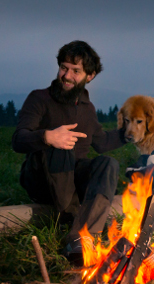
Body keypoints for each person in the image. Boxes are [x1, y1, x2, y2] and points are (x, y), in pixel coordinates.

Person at [12, 40, 126, 265]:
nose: (67, 75)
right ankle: (73, 220)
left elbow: (101, 143)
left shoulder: (86, 107)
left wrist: (130, 134)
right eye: (64, 68)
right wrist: (47, 137)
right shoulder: (39, 98)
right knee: (63, 146)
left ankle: (84, 237)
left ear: (90, 76)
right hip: (41, 178)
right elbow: (18, 140)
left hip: (72, 179)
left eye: (76, 71)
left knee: (108, 164)